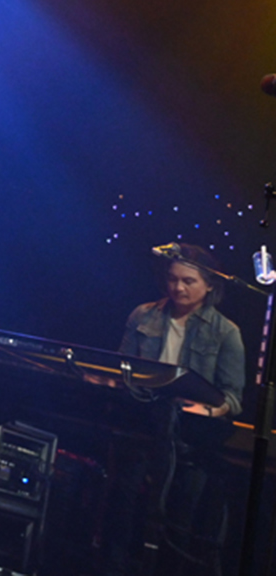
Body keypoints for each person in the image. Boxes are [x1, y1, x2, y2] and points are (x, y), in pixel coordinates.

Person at [108, 243, 246, 575]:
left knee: (178, 521)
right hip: (141, 424)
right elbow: (121, 368)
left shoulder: (226, 332)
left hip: (189, 438)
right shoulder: (143, 315)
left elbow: (233, 398)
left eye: (188, 281)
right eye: (173, 279)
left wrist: (208, 411)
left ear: (210, 285)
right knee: (122, 508)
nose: (178, 288)